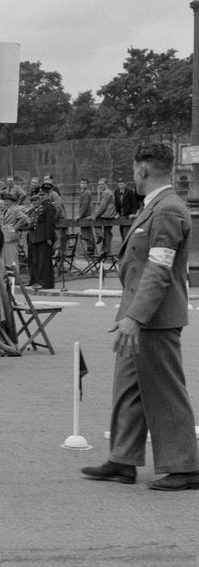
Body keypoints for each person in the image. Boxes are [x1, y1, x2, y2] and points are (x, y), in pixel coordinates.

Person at [82, 142, 199, 490]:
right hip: (139, 312)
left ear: (142, 170)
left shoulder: (166, 210)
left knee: (164, 390)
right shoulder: (156, 206)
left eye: (134, 170)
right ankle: (122, 459)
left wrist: (136, 317)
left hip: (154, 318)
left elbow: (158, 268)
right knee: (129, 388)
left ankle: (186, 466)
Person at [95, 178, 117, 255]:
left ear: (106, 184)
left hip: (107, 214)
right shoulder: (105, 192)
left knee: (95, 221)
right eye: (99, 184)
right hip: (108, 214)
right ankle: (106, 251)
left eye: (102, 184)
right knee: (107, 233)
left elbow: (102, 206)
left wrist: (94, 215)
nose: (100, 186)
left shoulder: (106, 192)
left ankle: (100, 235)